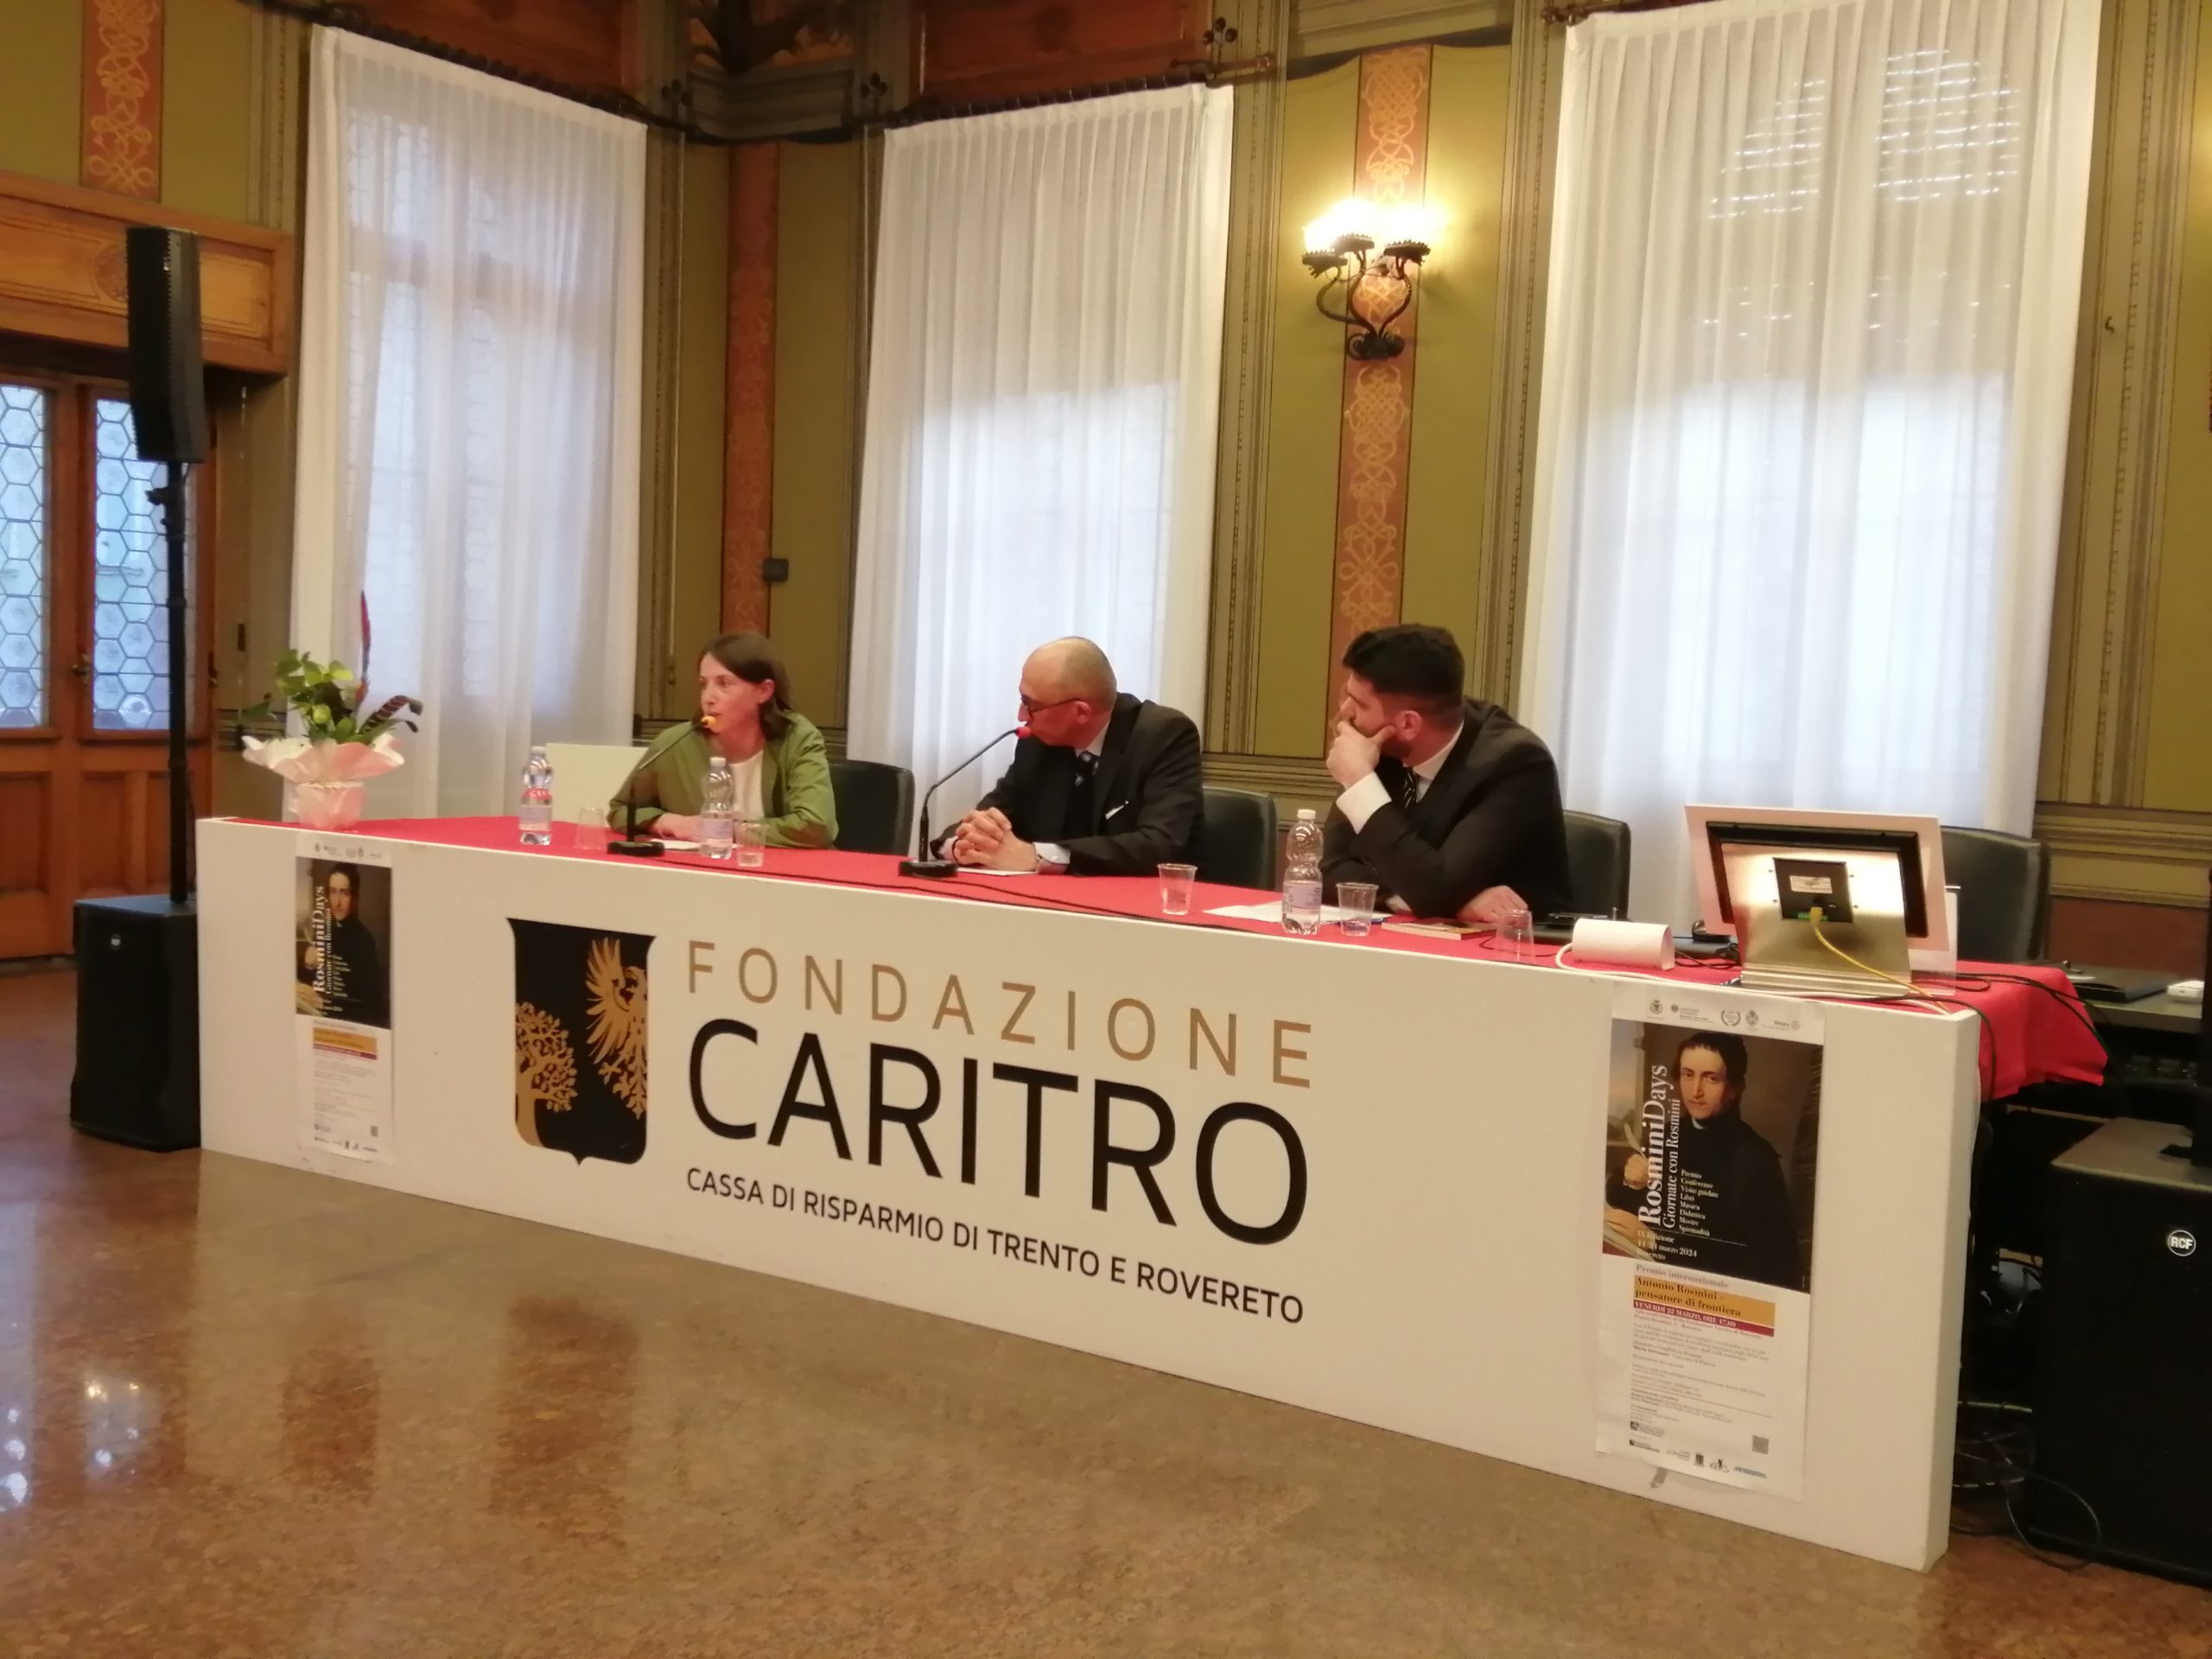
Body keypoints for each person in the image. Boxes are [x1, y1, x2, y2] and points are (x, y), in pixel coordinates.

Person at [1320, 623, 1570, 921]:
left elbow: (1436, 887)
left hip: (1510, 943)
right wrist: (1443, 902)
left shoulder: (1516, 764)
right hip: (1415, 934)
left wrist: (1361, 783)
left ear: (1408, 724)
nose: (1345, 712)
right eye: (1347, 695)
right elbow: (1327, 870)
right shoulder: (1381, 746)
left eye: (1360, 704)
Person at [946, 638, 1203, 876]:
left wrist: (1038, 857)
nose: (1021, 716)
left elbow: (1160, 844)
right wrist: (964, 844)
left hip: (1141, 901)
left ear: (1080, 712)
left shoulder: (1163, 735)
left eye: (1030, 704)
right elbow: (992, 814)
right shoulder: (1038, 741)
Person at [1605, 1033, 1804, 1292]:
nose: (1696, 1091)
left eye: (1711, 1078)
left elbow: (1765, 1265)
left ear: (1734, 1089)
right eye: (1688, 1075)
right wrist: (1630, 1179)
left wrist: (1655, 1242)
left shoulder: (1757, 1160)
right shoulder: (1670, 1132)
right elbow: (1617, 1195)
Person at [613, 632, 837, 848]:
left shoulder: (797, 737)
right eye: (704, 684)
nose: (708, 698)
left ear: (764, 691)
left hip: (784, 870)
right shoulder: (675, 742)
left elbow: (816, 826)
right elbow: (620, 811)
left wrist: (727, 830)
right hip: (700, 869)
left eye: (724, 684)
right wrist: (667, 822)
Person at [300, 863, 387, 1026]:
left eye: (344, 893)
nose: (337, 902)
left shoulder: (364, 940)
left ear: (354, 897)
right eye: (333, 892)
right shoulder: (325, 928)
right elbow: (313, 981)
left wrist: (326, 1004)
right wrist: (308, 965)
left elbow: (369, 1007)